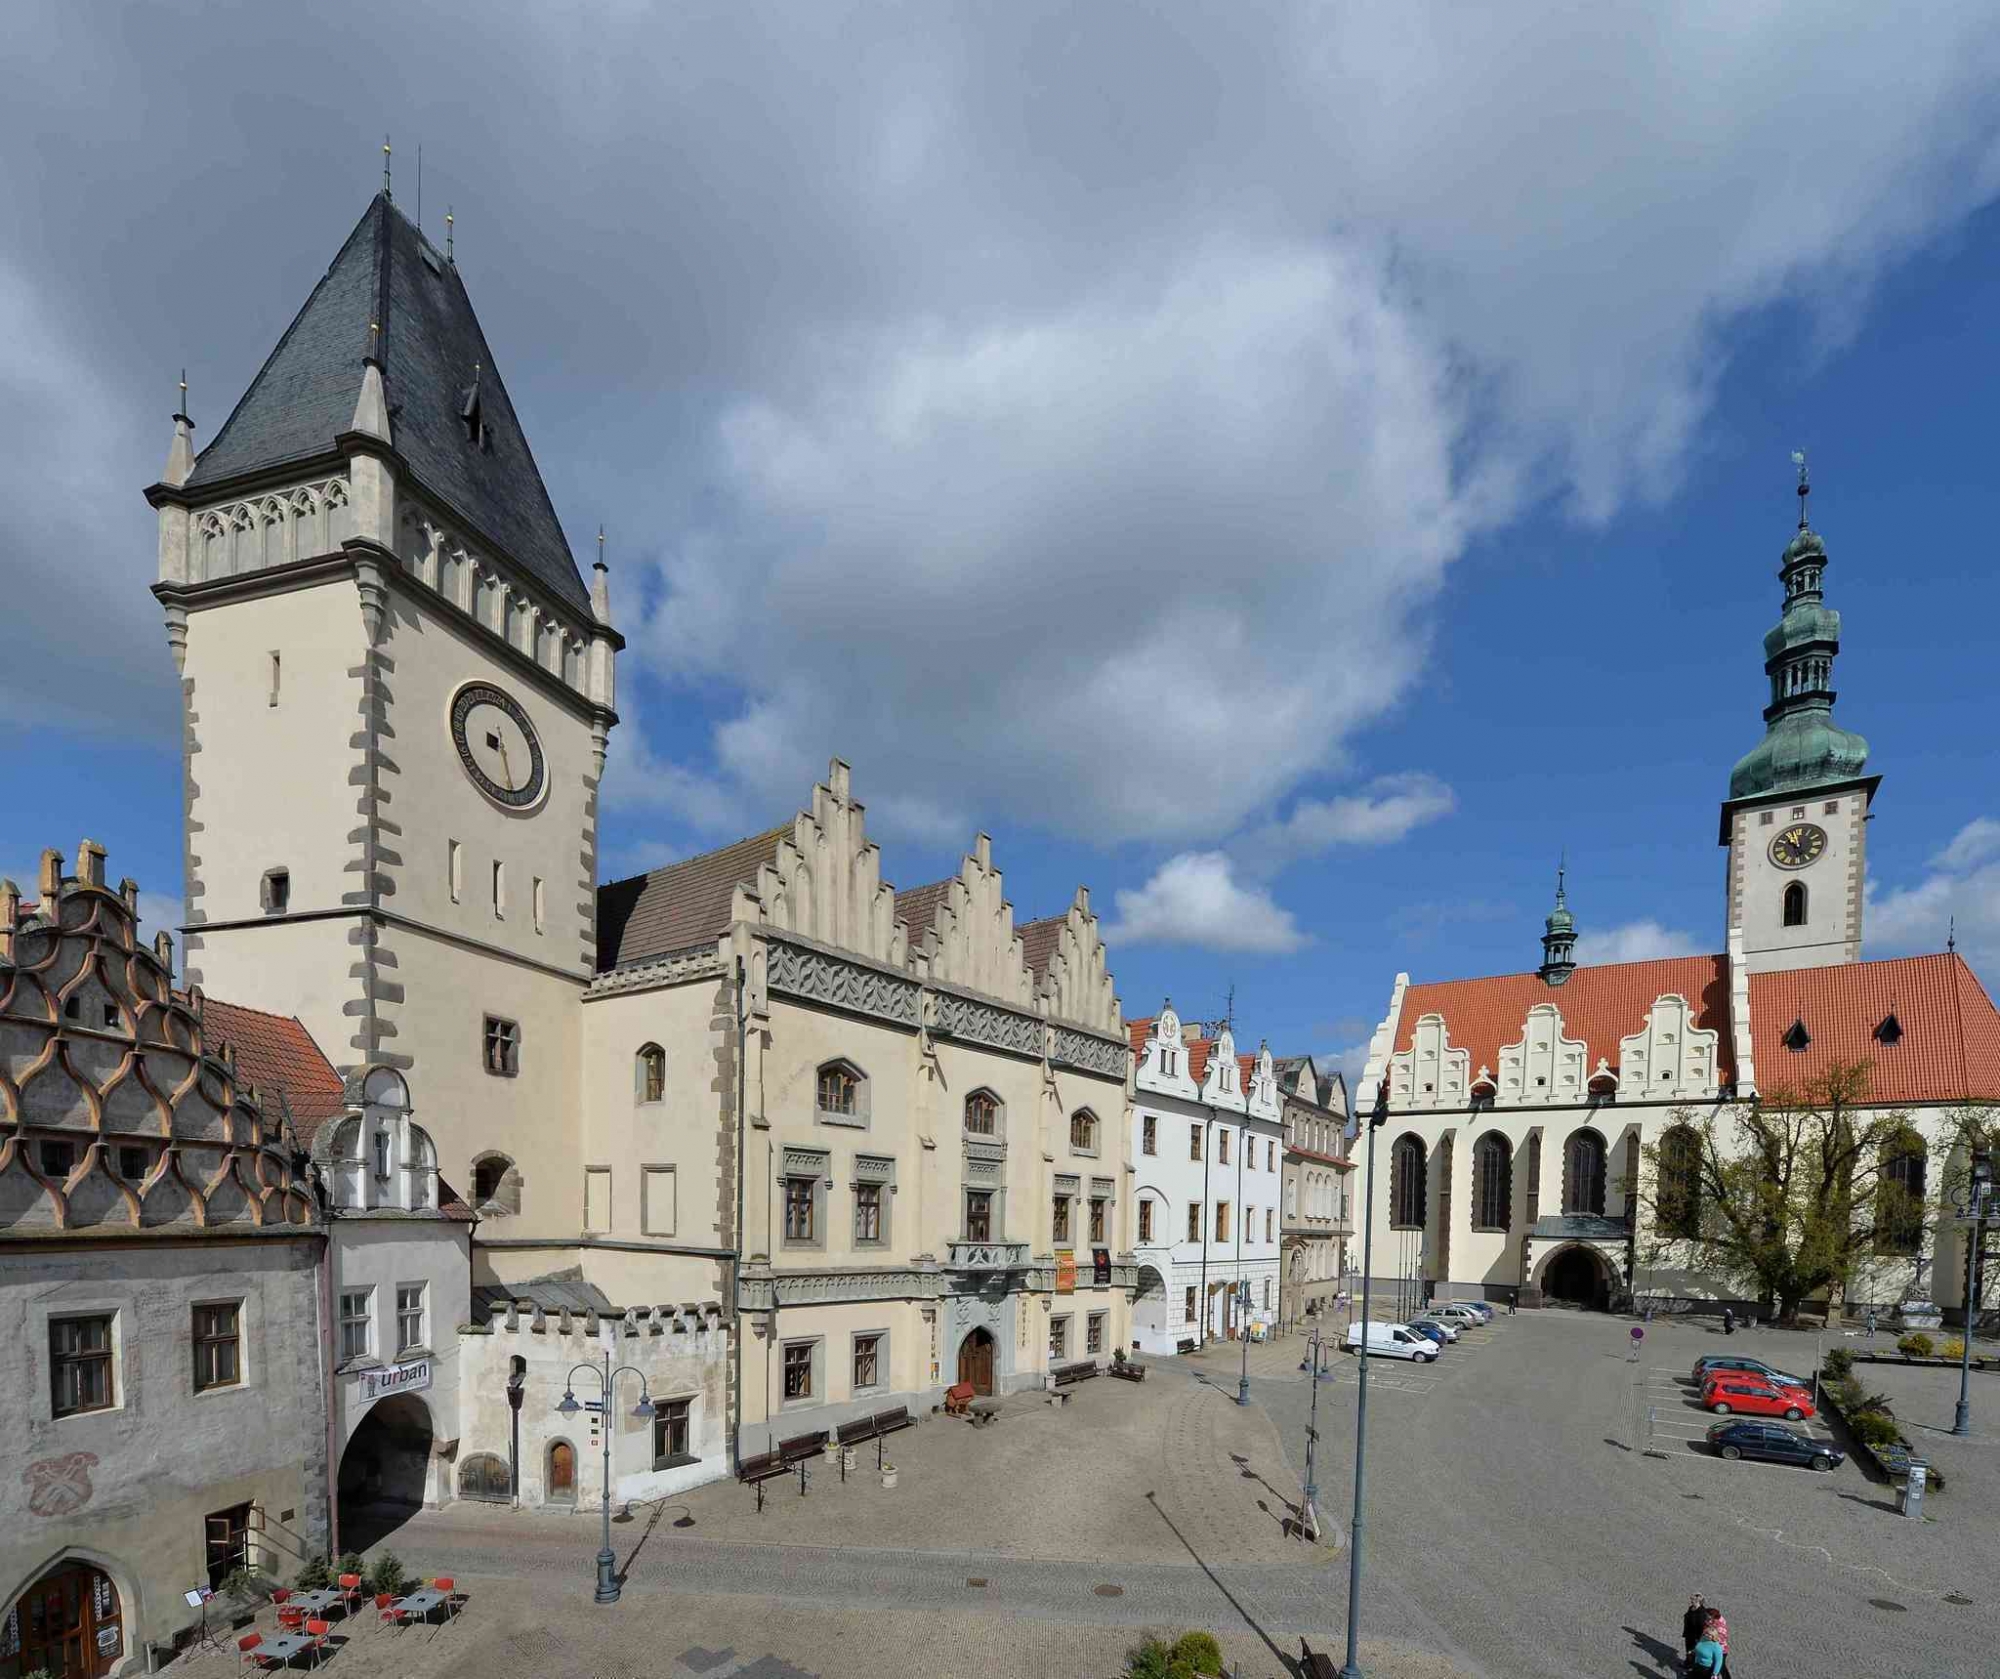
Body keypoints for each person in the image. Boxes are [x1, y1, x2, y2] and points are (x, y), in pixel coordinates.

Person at [1680, 1595, 1707, 1668]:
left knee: (1693, 1652)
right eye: (1691, 1599)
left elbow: (1701, 1628)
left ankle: (1691, 1667)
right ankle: (1687, 1662)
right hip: (1689, 1633)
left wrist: (1698, 1639)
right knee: (1688, 1649)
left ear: (1699, 1602)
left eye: (1693, 1600)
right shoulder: (1691, 1608)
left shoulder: (1701, 1613)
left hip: (1695, 1636)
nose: (1691, 1601)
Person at [1704, 1605, 1731, 1678]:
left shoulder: (1719, 1628)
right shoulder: (1716, 1619)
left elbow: (1717, 1641)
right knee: (1721, 1667)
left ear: (1713, 1617)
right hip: (1718, 1649)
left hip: (1720, 1651)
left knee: (1717, 1668)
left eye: (1708, 1617)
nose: (1705, 1619)